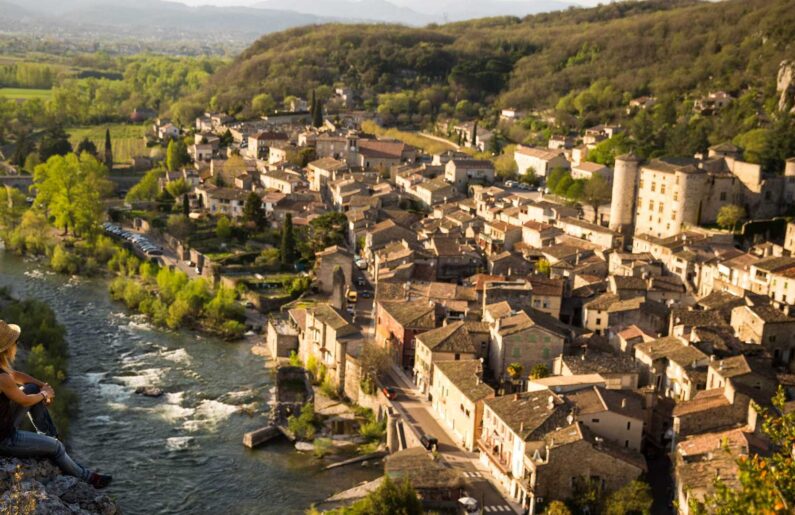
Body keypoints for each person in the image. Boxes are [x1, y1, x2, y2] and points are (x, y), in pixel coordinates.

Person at [0, 320, 112, 489]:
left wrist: (42, 386)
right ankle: (88, 478)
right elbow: (23, 400)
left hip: (3, 426)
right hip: (4, 440)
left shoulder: (3, 373)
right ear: (6, 347)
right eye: (15, 341)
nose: (17, 344)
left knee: (30, 388)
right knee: (57, 447)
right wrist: (44, 394)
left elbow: (16, 375)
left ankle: (48, 435)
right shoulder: (1, 378)